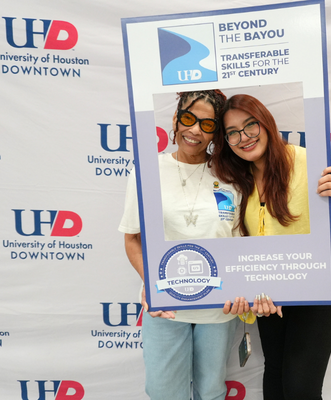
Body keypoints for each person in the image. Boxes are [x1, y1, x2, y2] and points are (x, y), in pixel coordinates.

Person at [212, 94, 331, 400]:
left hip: (317, 288)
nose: (243, 138)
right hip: (267, 293)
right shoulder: (234, 178)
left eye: (250, 126)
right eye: (232, 132)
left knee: (301, 388)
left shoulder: (306, 162)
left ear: (267, 124)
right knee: (276, 377)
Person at [118, 90, 242, 400]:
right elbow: (132, 238)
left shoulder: (232, 175)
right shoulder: (146, 172)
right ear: (175, 120)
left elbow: (241, 242)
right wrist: (152, 283)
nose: (195, 130)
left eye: (207, 124)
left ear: (216, 132)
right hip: (166, 307)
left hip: (219, 308)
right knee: (163, 393)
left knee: (211, 392)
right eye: (188, 119)